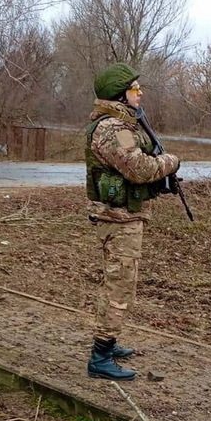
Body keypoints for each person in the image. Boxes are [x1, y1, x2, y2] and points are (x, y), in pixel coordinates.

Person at [85, 62, 180, 381]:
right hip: (118, 219)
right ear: (120, 95)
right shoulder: (114, 128)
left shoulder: (121, 124)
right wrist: (170, 162)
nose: (140, 94)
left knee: (121, 282)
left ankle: (107, 345)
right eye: (135, 89)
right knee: (120, 286)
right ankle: (100, 355)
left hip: (122, 216)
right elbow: (139, 168)